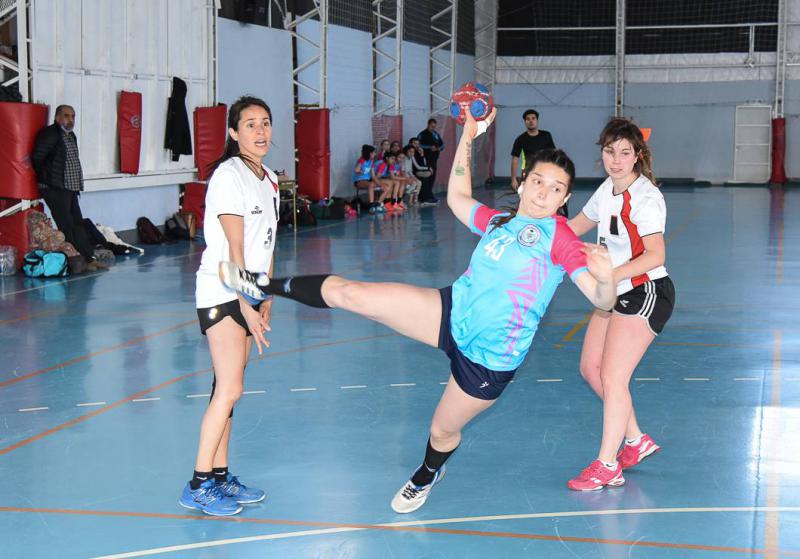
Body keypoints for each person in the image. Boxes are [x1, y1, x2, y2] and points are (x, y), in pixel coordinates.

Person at [219, 109, 617, 514]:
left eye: (555, 189)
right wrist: (468, 135)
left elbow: (602, 302)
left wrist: (606, 280)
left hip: (488, 360)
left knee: (442, 432)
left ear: (566, 198)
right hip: (449, 312)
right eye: (537, 181)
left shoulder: (562, 239)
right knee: (353, 294)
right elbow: (459, 196)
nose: (543, 193)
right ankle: (260, 284)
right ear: (523, 181)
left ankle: (427, 474)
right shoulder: (500, 221)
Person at [179, 96, 279, 516]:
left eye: (266, 123)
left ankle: (221, 477)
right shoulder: (228, 175)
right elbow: (234, 250)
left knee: (228, 391)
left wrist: (266, 295)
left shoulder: (270, 178)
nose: (260, 131)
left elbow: (268, 243)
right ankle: (198, 484)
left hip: (249, 293)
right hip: (222, 292)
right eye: (250, 124)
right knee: (230, 388)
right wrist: (245, 302)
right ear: (234, 133)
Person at [566, 117, 675, 491]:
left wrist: (610, 274)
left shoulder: (645, 197)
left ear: (637, 155)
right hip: (613, 290)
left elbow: (655, 255)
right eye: (609, 152)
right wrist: (531, 225)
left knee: (614, 377)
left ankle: (607, 464)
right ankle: (635, 440)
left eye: (624, 152)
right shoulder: (606, 190)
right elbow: (575, 226)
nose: (616, 160)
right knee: (590, 368)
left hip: (646, 292)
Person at [31, 105, 106, 271]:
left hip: (70, 187)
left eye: (73, 116)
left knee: (77, 223)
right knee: (66, 224)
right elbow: (37, 158)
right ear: (57, 117)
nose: (70, 120)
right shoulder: (49, 134)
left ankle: (88, 258)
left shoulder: (71, 135)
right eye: (66, 116)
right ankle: (75, 261)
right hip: (55, 187)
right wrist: (48, 179)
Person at [510, 109, 555, 191]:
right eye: (528, 119)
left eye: (533, 118)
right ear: (525, 122)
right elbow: (515, 159)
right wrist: (513, 179)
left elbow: (554, 154)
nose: (531, 121)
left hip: (546, 173)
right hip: (528, 174)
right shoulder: (520, 139)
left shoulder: (546, 135)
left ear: (537, 120)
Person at [352, 144, 387, 213]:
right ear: (370, 153)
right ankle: (371, 206)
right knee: (371, 185)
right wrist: (360, 171)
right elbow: (356, 169)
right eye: (374, 152)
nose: (375, 154)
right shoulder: (362, 160)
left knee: (386, 187)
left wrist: (381, 184)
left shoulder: (371, 162)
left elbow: (373, 176)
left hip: (367, 181)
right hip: (359, 181)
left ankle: (378, 204)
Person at [417, 118, 445, 194]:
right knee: (427, 176)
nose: (433, 128)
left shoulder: (436, 134)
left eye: (434, 127)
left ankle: (429, 193)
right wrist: (429, 147)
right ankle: (424, 194)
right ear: (428, 125)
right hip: (425, 159)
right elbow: (418, 145)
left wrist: (438, 148)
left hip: (434, 159)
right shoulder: (422, 134)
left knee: (432, 176)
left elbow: (442, 145)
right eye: (431, 126)